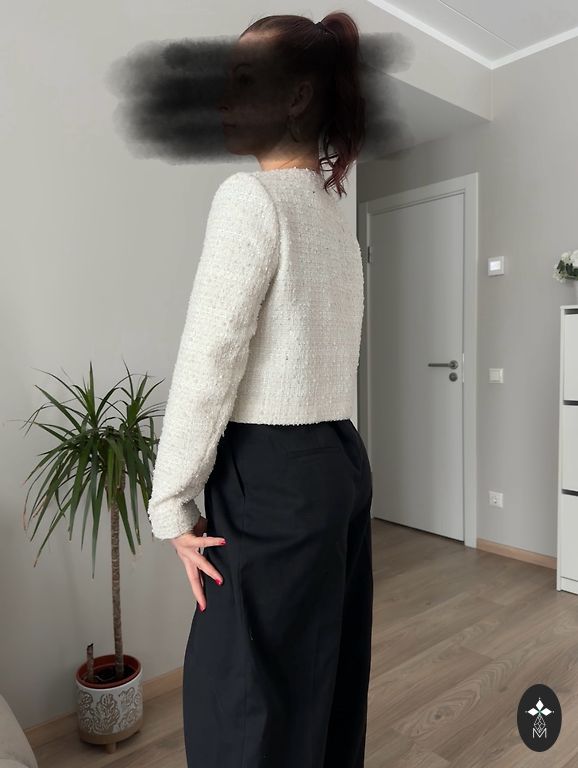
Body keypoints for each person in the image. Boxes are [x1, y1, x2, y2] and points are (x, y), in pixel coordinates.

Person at [146, 11, 373, 768]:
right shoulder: (334, 217)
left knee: (242, 700)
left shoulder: (251, 199)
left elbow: (209, 360)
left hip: (270, 477)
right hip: (339, 460)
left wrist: (171, 504)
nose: (224, 98)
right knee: (323, 681)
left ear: (297, 96)